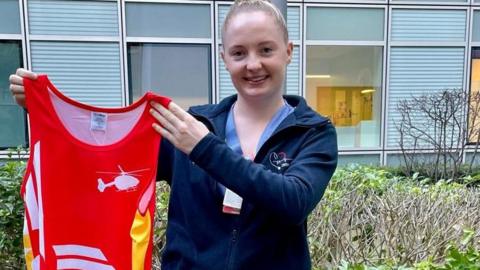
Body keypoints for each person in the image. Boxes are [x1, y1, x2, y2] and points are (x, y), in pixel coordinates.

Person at [9, 0, 338, 269]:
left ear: (288, 52)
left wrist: (203, 148)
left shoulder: (313, 132)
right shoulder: (190, 123)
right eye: (239, 53)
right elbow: (108, 160)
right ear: (224, 58)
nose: (253, 64)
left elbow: (293, 201)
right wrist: (49, 115)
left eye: (266, 50)